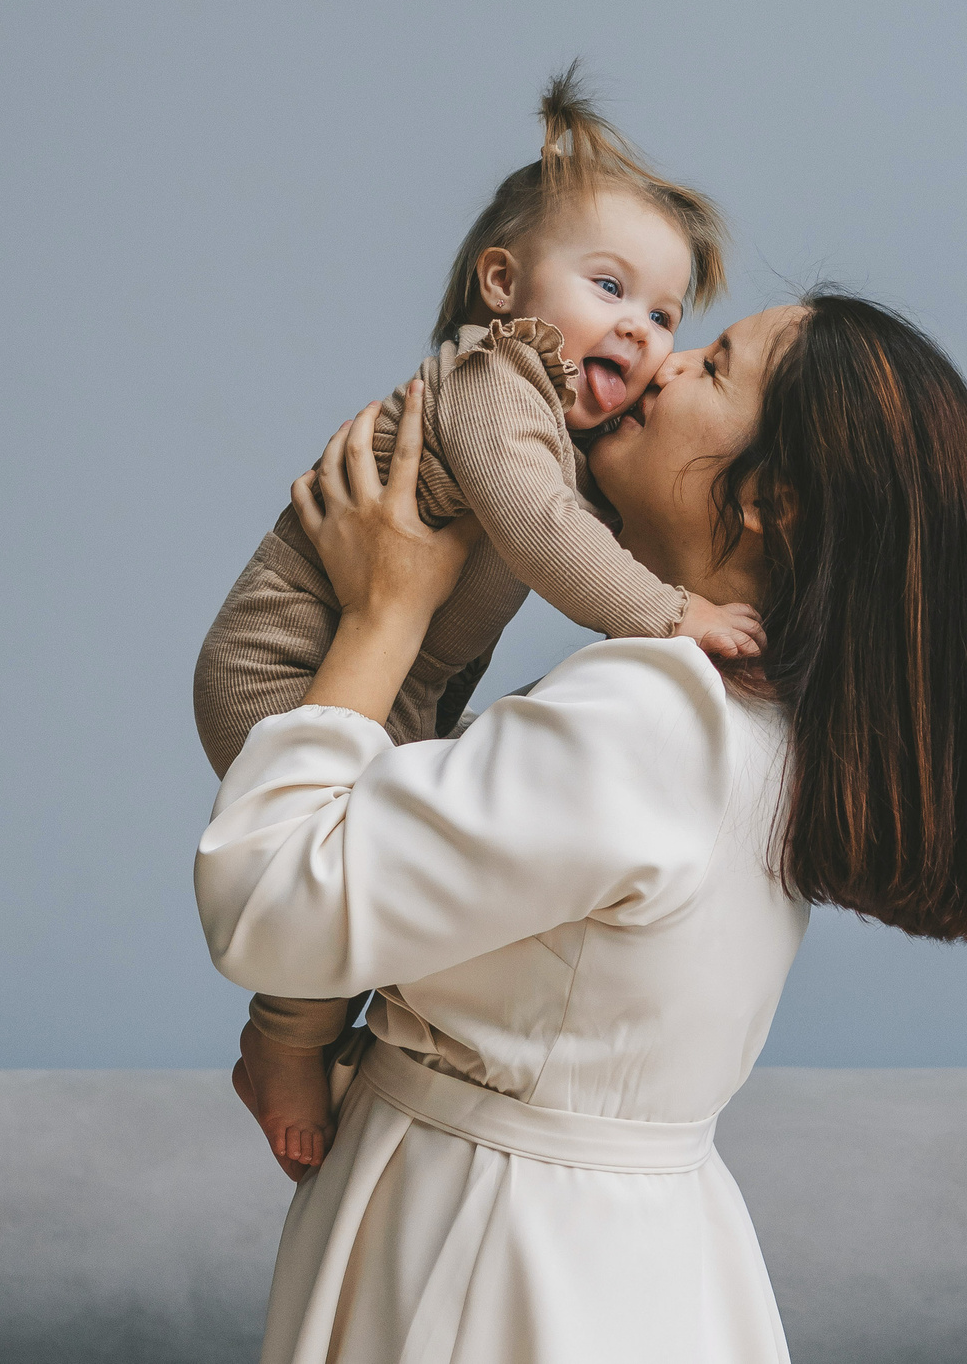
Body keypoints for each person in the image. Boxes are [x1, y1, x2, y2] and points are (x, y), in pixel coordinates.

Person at [195, 291, 967, 1364]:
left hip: (494, 1263)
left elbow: (269, 900)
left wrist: (382, 613)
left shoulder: (649, 718)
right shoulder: (762, 730)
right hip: (621, 1258)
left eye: (716, 365)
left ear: (772, 497)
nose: (665, 364)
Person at [194, 68, 764, 1174]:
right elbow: (547, 533)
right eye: (609, 287)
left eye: (663, 314)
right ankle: (283, 1042)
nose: (644, 335)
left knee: (382, 869)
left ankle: (293, 1039)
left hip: (395, 673)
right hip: (287, 662)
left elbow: (584, 518)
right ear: (502, 284)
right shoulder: (492, 380)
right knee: (333, 865)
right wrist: (672, 611)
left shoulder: (560, 429)